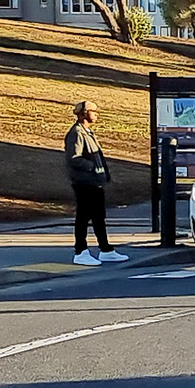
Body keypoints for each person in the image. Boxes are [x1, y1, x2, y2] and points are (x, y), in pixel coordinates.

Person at [65, 99, 125, 265]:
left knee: (99, 217)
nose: (96, 115)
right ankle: (80, 251)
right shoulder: (76, 133)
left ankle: (105, 250)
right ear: (84, 114)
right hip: (84, 183)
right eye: (93, 111)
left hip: (94, 182)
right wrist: (92, 166)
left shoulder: (87, 132)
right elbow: (74, 158)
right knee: (83, 217)